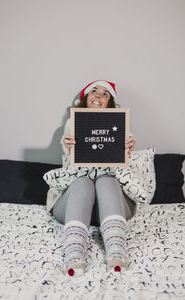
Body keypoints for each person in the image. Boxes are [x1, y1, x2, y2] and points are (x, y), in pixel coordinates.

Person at [47, 80, 136, 277]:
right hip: (74, 206)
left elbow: (125, 156)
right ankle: (74, 256)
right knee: (83, 181)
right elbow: (71, 156)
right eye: (94, 91)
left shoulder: (120, 125)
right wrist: (67, 145)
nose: (98, 95)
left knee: (106, 179)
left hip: (111, 206)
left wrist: (129, 147)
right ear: (85, 98)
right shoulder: (72, 124)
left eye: (105, 94)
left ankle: (117, 254)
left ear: (109, 103)